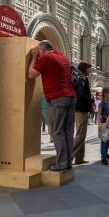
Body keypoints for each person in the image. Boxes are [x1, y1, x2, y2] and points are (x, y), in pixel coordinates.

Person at [28, 40, 76, 173]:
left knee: (57, 131)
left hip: (57, 98)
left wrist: (33, 57)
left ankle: (61, 164)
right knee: (68, 131)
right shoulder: (64, 57)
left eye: (38, 51)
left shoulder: (46, 58)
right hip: (71, 97)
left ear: (42, 50)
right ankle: (68, 163)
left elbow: (31, 74)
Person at [72, 61, 94, 165]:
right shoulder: (83, 79)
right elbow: (80, 95)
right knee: (81, 134)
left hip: (80, 109)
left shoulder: (81, 78)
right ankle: (68, 157)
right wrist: (91, 99)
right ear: (84, 69)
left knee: (81, 134)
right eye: (89, 68)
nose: (90, 70)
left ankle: (79, 158)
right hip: (81, 109)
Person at [97, 87, 109, 165]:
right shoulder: (101, 103)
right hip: (104, 124)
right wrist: (99, 124)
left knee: (108, 140)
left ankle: (105, 153)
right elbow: (98, 115)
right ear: (106, 94)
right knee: (104, 141)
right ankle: (103, 158)